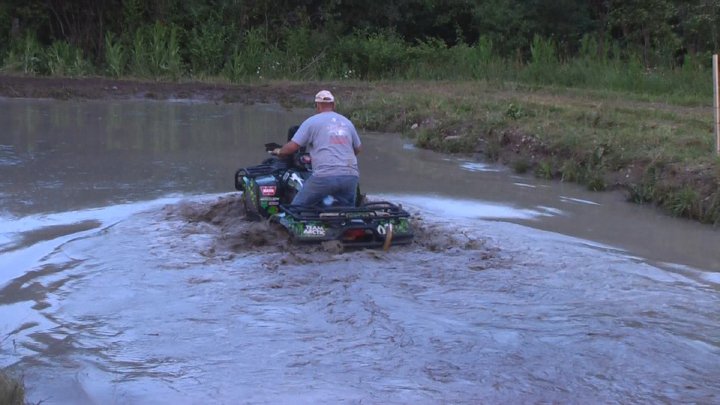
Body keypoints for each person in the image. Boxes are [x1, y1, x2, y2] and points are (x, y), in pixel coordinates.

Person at [272, 90, 362, 207]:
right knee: (346, 211)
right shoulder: (347, 123)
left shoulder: (312, 122)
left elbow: (293, 146)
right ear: (333, 105)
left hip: (325, 176)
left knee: (296, 208)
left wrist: (280, 151)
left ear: (317, 105)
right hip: (351, 176)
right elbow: (358, 149)